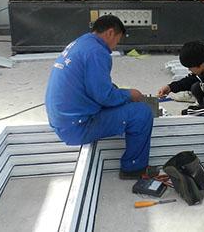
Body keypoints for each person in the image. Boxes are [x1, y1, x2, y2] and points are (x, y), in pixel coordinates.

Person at [45, 14, 156, 179]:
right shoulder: (97, 52)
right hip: (77, 127)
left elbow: (96, 86)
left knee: (119, 95)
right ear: (110, 33)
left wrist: (120, 93)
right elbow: (104, 97)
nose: (115, 46)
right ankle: (134, 168)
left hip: (61, 121)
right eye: (118, 40)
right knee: (142, 113)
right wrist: (129, 94)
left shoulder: (82, 43)